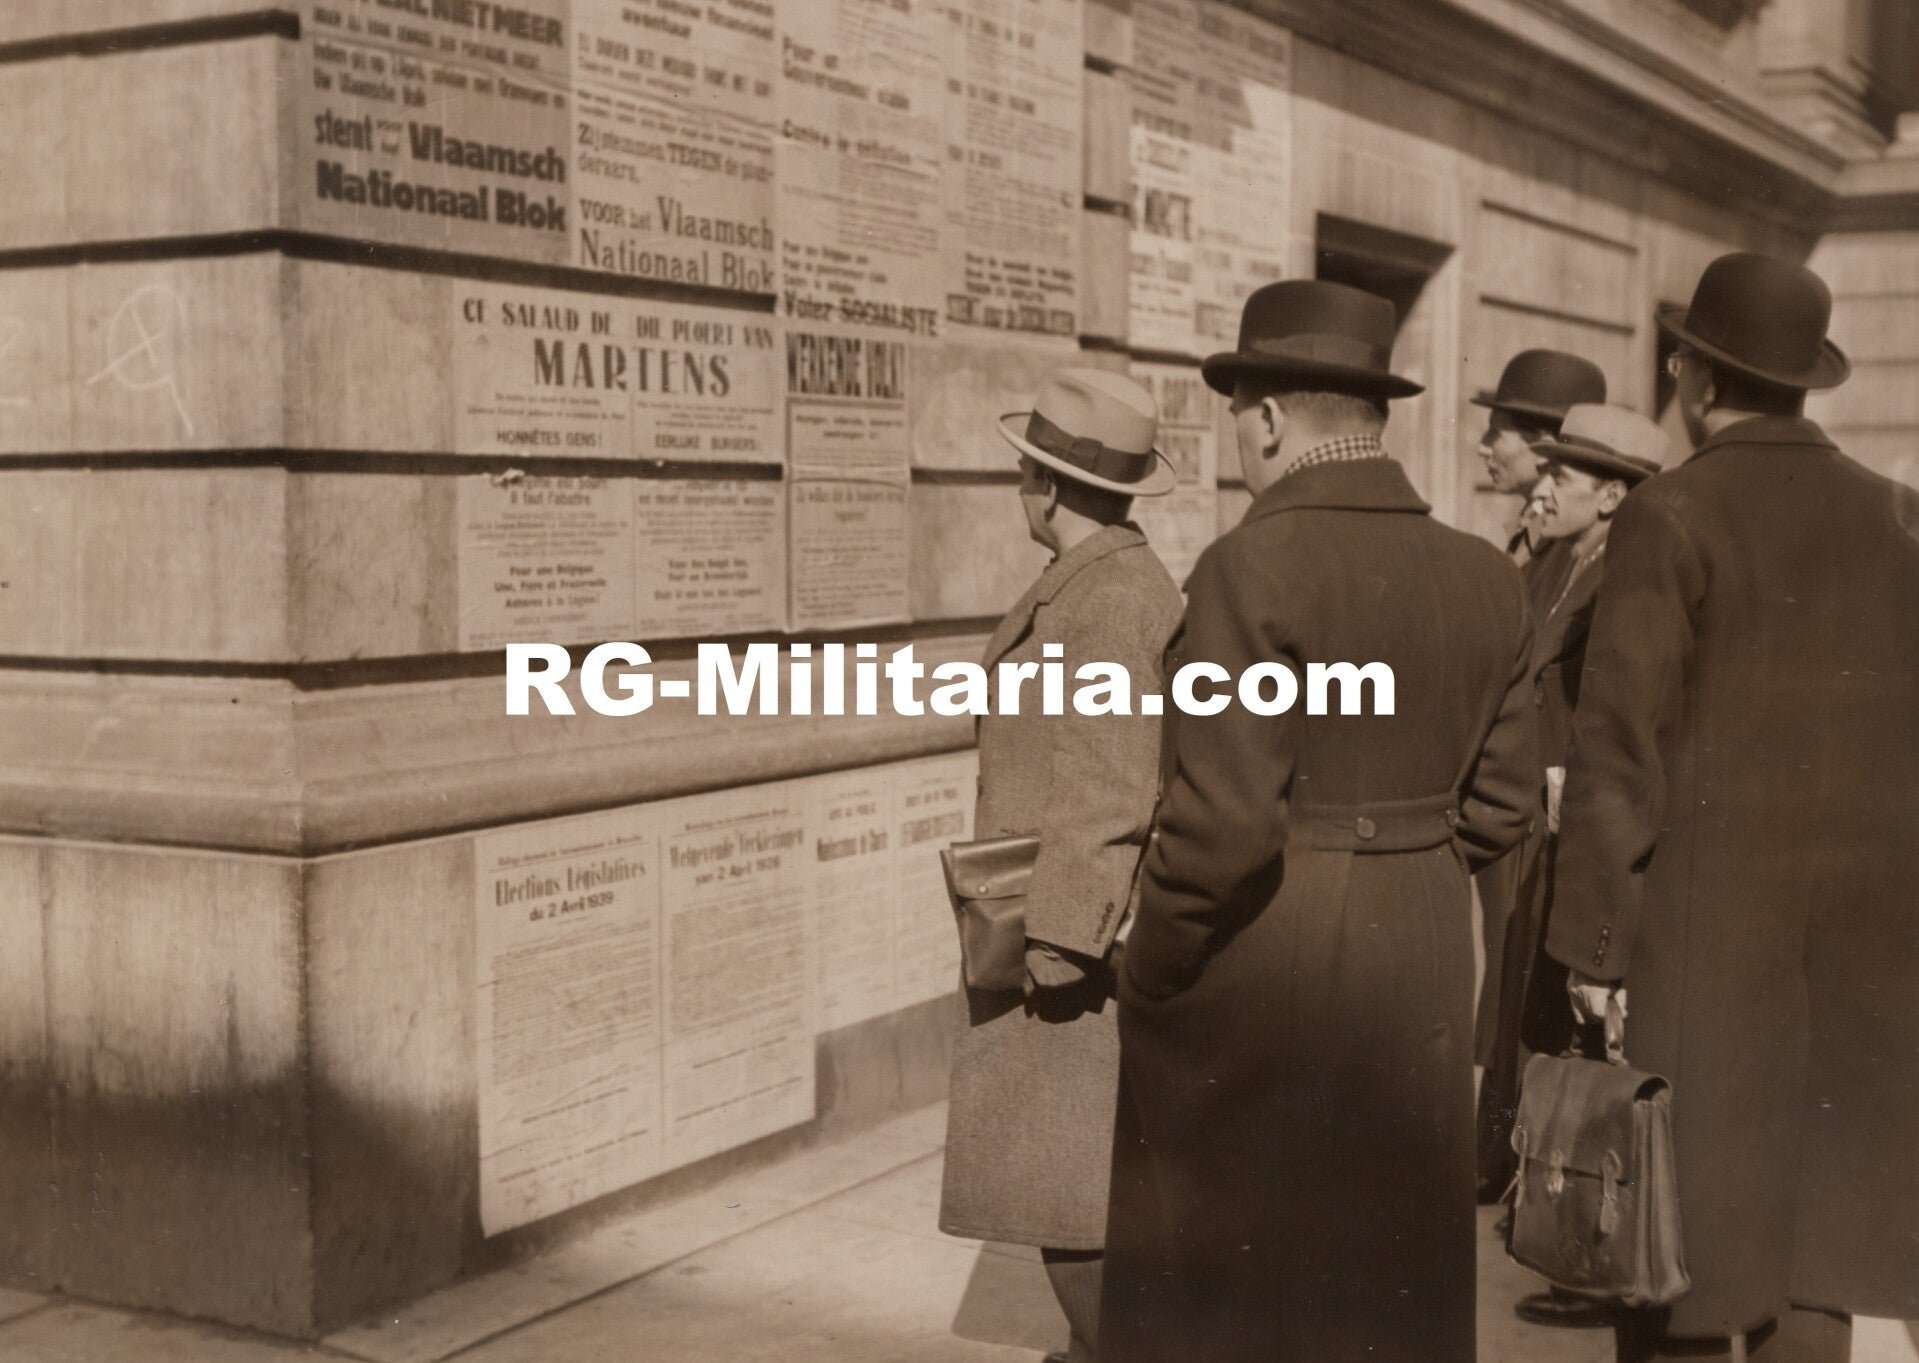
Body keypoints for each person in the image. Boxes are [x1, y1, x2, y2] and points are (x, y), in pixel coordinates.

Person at [1100, 280, 1541, 1363]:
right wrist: (1408, 864)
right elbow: (1503, 804)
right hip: (1423, 949)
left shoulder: (1246, 568)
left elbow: (1222, 827)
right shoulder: (1486, 576)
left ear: (1264, 419)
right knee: (1388, 1272)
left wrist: (1148, 965)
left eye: (1235, 416)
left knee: (1250, 1286)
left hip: (1272, 955)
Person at [1546, 252, 1919, 1362]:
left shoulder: (1667, 513)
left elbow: (1618, 750)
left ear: (1695, 376)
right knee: (1818, 1250)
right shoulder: (1894, 515)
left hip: (1700, 944)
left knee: (1680, 1250)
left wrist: (1593, 949)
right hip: (1864, 942)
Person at [939, 368, 1183, 1363]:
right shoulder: (1097, 581)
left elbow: (1109, 780)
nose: (1019, 488)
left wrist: (1058, 940)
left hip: (1067, 940)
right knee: (1062, 1181)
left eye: (1023, 473)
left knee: (1067, 1189)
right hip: (1059, 921)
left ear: (1045, 488)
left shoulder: (1111, 598)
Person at [1487, 404, 1669, 1330]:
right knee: (1553, 1028)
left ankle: (1595, 1255)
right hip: (1550, 827)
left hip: (1580, 831)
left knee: (1587, 1040)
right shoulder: (1563, 561)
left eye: (1565, 471)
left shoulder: (1619, 578)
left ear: (1611, 496)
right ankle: (1565, 1230)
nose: (1543, 481)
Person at [1467, 349, 1609, 1199]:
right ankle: (1500, 1141)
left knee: (1528, 979)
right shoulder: (1543, 546)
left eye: (1502, 431)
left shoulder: (1588, 556)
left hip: (1546, 802)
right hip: (1514, 793)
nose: (1486, 445)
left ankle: (1512, 1149)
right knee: (1508, 967)